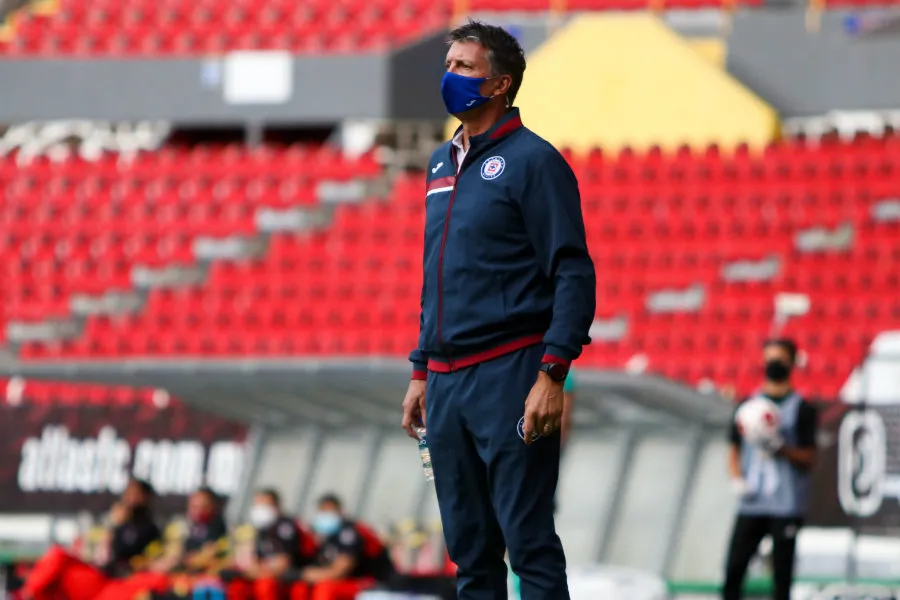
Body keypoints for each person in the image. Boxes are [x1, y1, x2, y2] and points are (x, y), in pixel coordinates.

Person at [400, 20, 596, 600]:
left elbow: (573, 270)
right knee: (469, 550)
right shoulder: (440, 163)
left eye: (465, 66)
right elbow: (437, 275)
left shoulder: (536, 161)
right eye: (449, 64)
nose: (451, 75)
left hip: (510, 370)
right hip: (445, 380)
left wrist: (552, 373)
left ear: (500, 83)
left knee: (527, 542)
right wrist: (420, 370)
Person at [722, 338, 818, 600]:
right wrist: (737, 479)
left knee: (781, 578)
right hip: (752, 502)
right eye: (770, 358)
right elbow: (734, 448)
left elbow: (809, 457)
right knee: (733, 571)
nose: (774, 364)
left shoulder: (802, 409)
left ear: (792, 362)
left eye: (780, 359)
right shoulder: (747, 406)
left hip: (785, 505)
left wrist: (780, 448)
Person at [21, 478, 163, 600]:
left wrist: (114, 528)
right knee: (57, 555)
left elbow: (137, 560)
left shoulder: (149, 528)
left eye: (135, 493)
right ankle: (27, 594)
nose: (130, 497)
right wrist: (112, 525)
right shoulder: (111, 520)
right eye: (129, 492)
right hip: (93, 572)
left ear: (145, 497)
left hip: (115, 582)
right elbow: (89, 547)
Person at [224, 488, 316, 600]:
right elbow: (252, 557)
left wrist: (258, 572)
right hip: (261, 573)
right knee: (237, 586)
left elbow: (284, 563)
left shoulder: (285, 526)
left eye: (265, 504)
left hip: (286, 577)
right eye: (258, 505)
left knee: (265, 585)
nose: (260, 509)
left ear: (276, 506)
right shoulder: (261, 527)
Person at [298, 493, 394, 600]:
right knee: (300, 587)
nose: (325, 515)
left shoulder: (349, 532)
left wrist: (305, 574)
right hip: (346, 581)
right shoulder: (323, 534)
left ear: (339, 511)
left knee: (325, 588)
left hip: (371, 582)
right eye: (323, 511)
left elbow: (339, 571)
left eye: (329, 511)